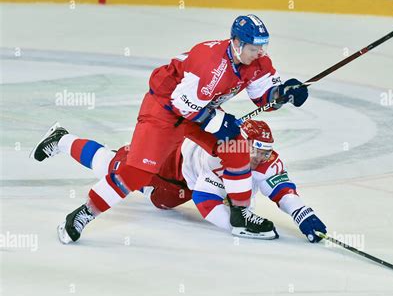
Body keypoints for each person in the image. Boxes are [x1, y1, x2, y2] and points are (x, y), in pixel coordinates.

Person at [31, 14, 309, 243]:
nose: (260, 52)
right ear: (236, 43)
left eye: (264, 46)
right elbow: (183, 106)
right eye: (254, 47)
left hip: (199, 108)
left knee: (235, 148)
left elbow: (264, 97)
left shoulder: (255, 61)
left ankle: (240, 214)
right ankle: (84, 212)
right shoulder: (210, 66)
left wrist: (282, 92)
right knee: (138, 172)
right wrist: (218, 122)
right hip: (164, 110)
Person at [30, 119, 327, 243]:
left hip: (187, 179)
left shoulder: (260, 158)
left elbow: (281, 189)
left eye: (264, 152)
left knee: (162, 201)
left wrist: (304, 216)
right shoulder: (223, 157)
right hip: (170, 162)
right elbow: (205, 200)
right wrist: (238, 227)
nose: (261, 159)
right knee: (116, 167)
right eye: (256, 151)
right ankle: (63, 139)